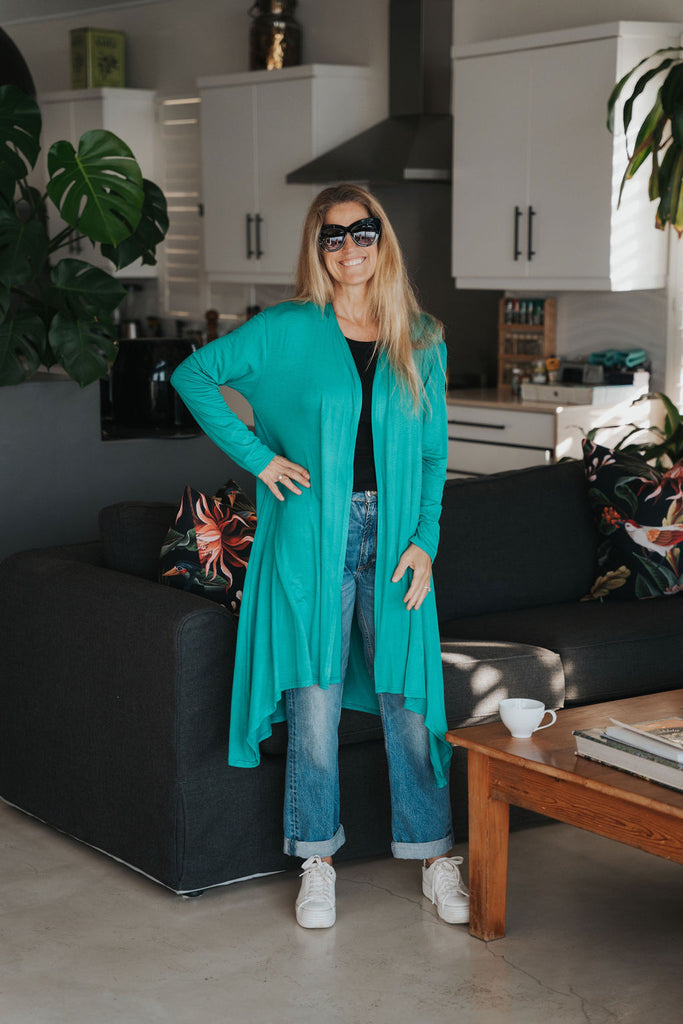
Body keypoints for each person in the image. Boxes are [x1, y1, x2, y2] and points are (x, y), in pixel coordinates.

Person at [171, 183, 469, 929]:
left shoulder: (420, 336)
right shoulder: (287, 329)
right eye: (333, 236)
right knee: (314, 704)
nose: (349, 248)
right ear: (318, 248)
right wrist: (259, 459)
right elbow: (193, 376)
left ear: (381, 238)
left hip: (395, 543)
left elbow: (433, 454)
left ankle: (435, 856)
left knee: (408, 703)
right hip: (309, 541)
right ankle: (317, 862)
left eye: (362, 231)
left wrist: (425, 542)